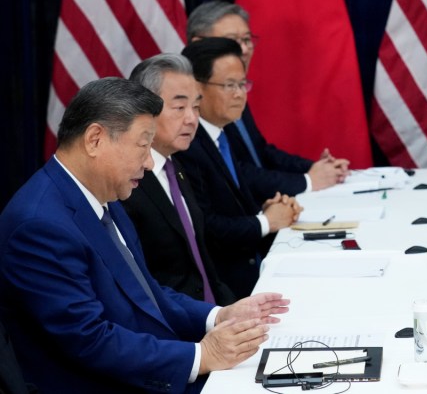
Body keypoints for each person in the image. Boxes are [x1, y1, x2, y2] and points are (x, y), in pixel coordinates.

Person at [0, 78, 289, 393]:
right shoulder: (38, 225)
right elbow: (89, 340)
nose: (150, 163)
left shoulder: (104, 198)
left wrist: (218, 316)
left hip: (150, 367)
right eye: (143, 145)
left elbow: (146, 293)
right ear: (95, 139)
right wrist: (201, 356)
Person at [175, 37, 333, 298]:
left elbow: (241, 188)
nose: (239, 93)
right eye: (229, 85)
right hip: (227, 287)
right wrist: (265, 221)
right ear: (197, 88)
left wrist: (271, 208)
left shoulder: (222, 132)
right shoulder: (188, 145)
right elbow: (206, 228)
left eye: (242, 84)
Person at [187, 1, 350, 176]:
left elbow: (259, 152)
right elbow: (234, 172)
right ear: (198, 44)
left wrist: (314, 168)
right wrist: (308, 181)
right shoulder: (191, 101)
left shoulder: (236, 85)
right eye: (232, 41)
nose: (243, 49)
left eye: (247, 40)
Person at [123, 53, 236, 304]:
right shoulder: (127, 183)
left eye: (196, 107)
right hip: (177, 329)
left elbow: (203, 265)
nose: (191, 118)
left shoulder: (178, 168)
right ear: (144, 111)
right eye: (179, 107)